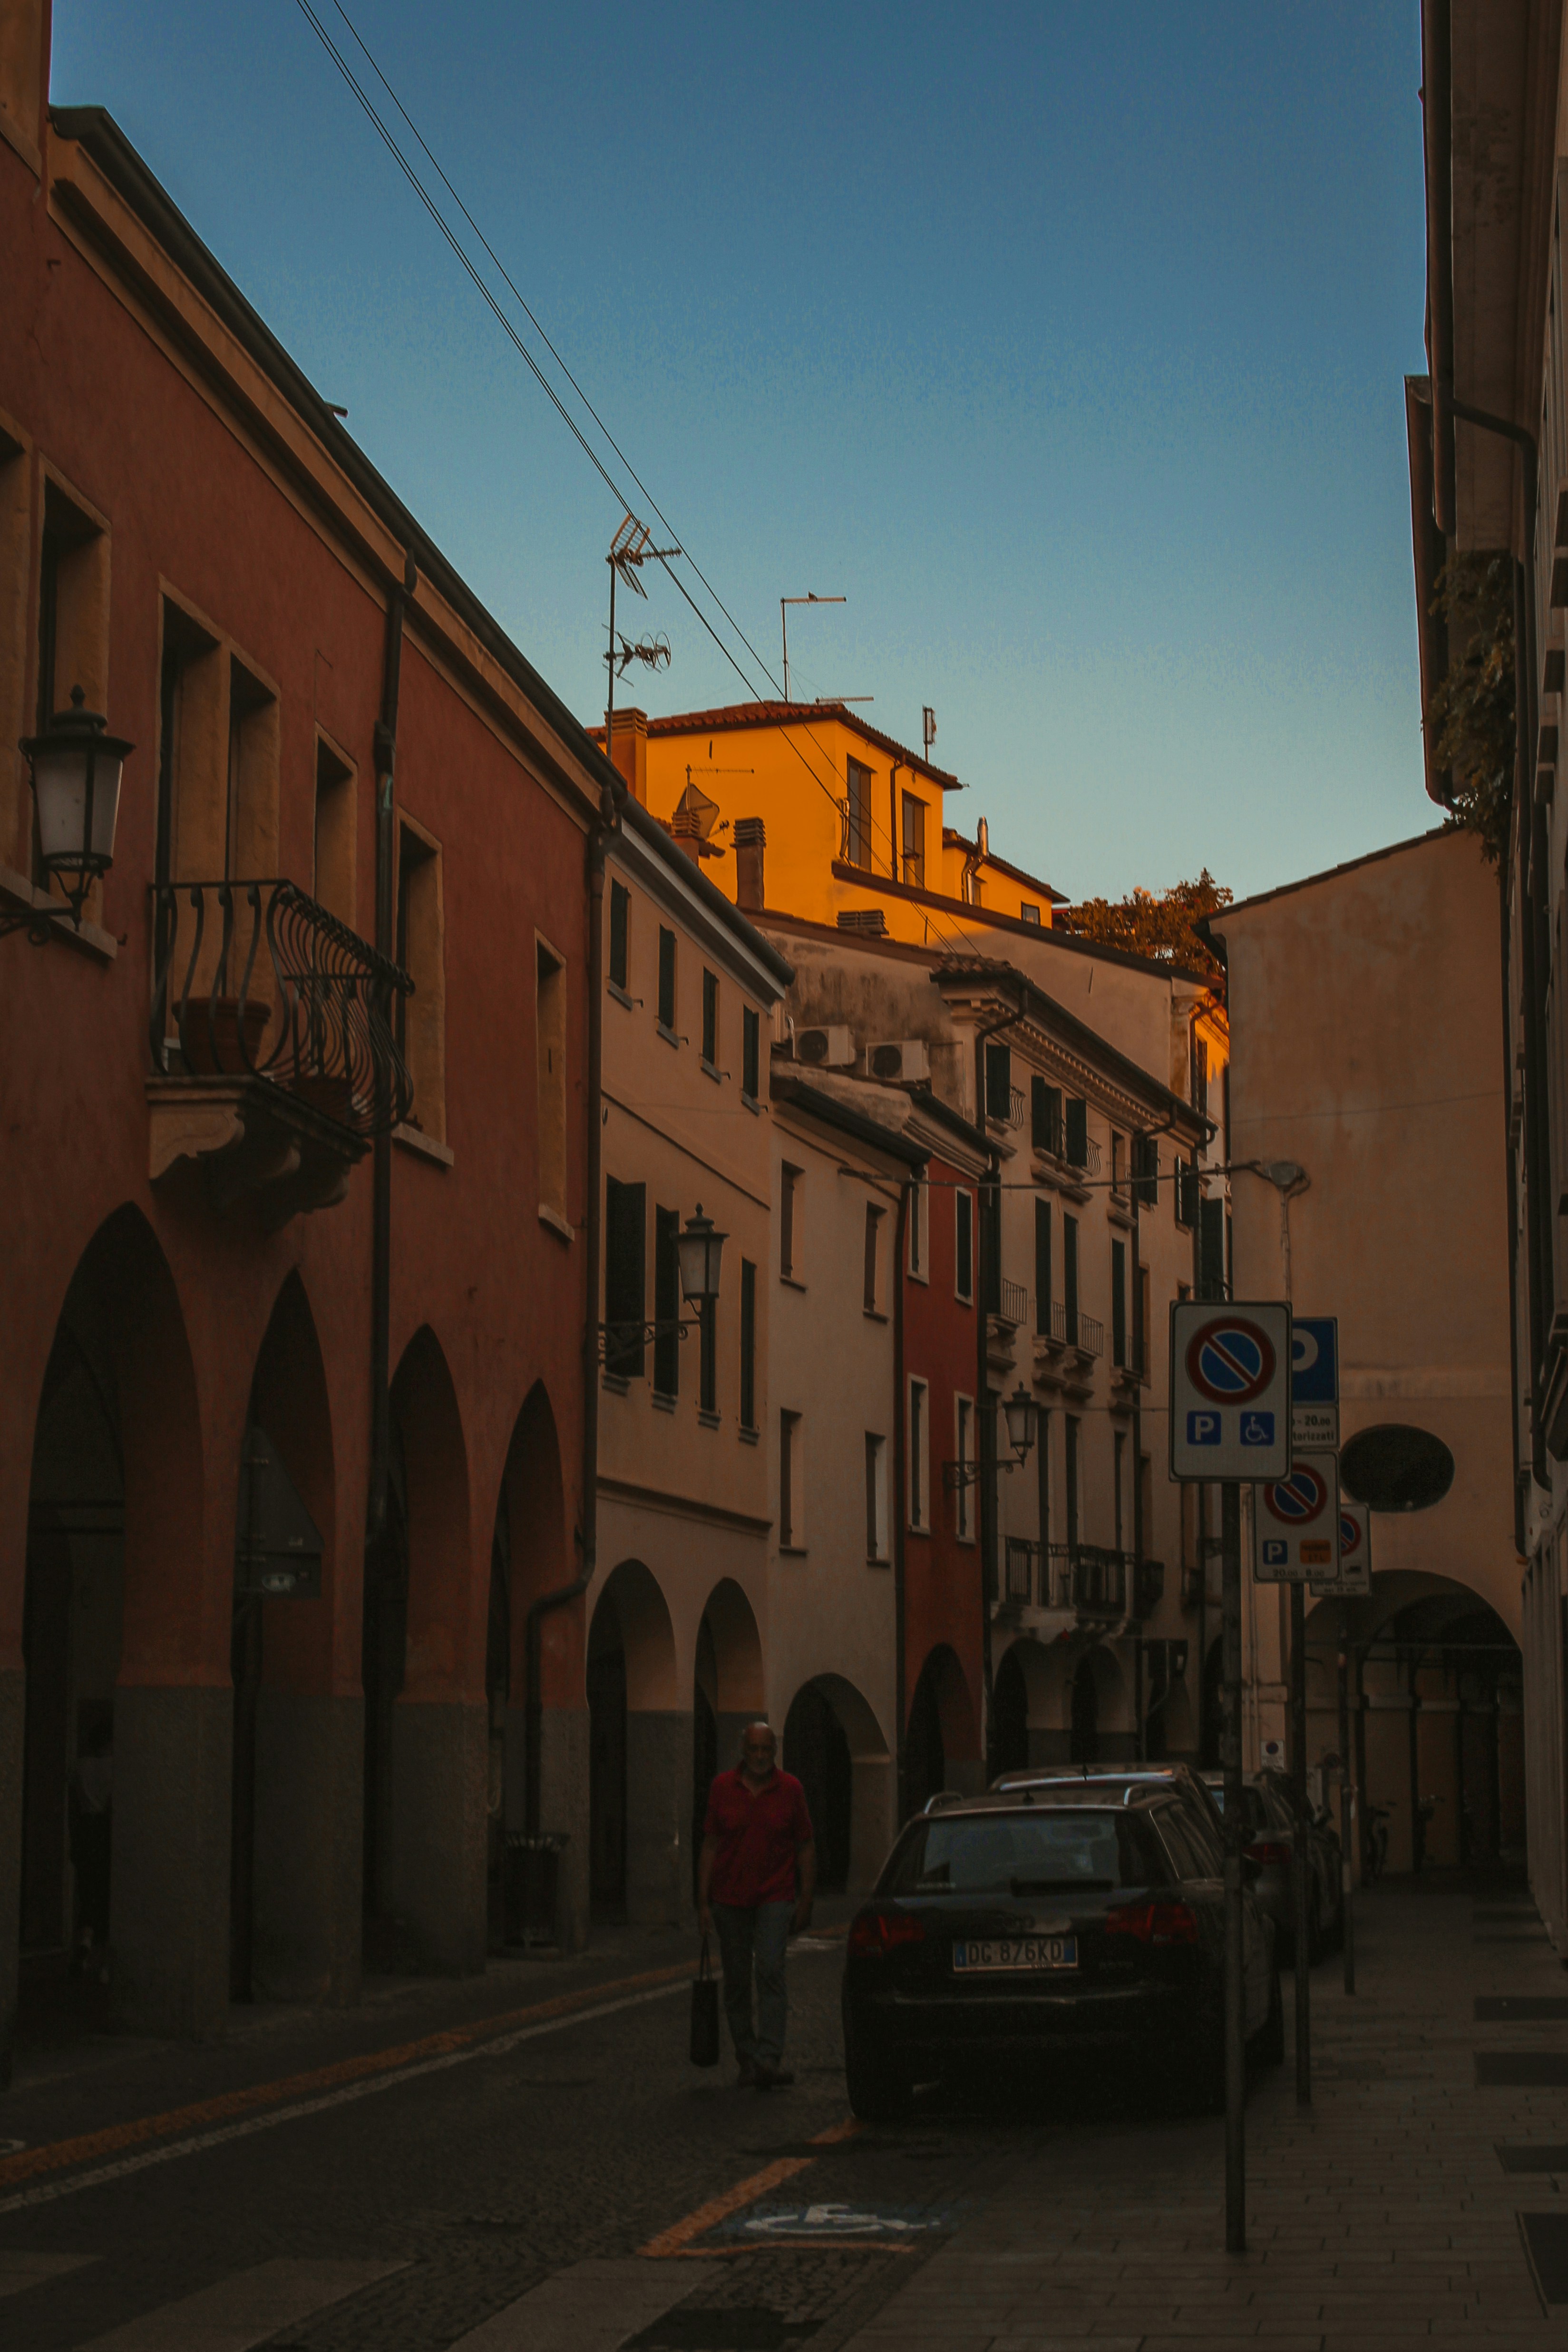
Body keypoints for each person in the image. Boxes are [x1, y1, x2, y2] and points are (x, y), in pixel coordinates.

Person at [697, 1720, 816, 2090]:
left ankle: (769, 2057)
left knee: (769, 1969)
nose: (761, 1757)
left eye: (766, 1750)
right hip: (729, 1899)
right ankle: (746, 2056)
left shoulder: (791, 1789)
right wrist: (702, 1901)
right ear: (743, 1751)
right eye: (754, 1750)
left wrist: (806, 1898)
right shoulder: (722, 1788)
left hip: (775, 1896)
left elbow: (805, 1846)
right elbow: (710, 1845)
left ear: (774, 1751)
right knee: (735, 1980)